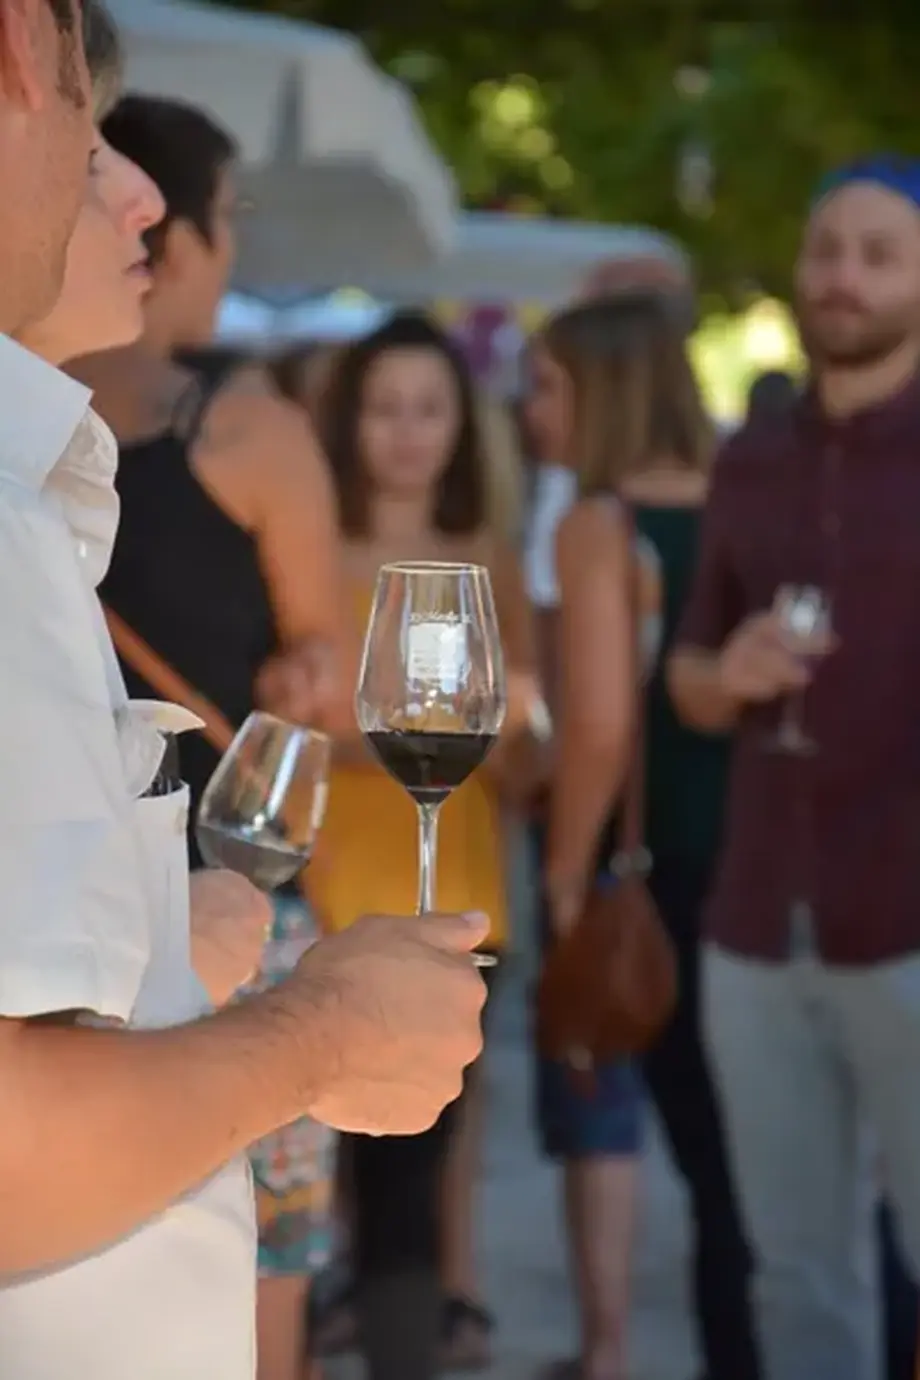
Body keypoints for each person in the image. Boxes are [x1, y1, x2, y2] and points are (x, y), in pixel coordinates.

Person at [0, 3, 488, 1374]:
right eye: (93, 128)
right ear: (19, 48)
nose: (141, 197)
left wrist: (178, 942)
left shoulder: (47, 481)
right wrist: (325, 1031)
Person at [68, 93, 349, 1380]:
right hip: (232, 894)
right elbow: (316, 687)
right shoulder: (245, 430)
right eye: (227, 219)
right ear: (168, 234)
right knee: (259, 1254)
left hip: (61, 912)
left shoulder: (27, 420)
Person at [668, 157, 920, 1380]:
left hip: (908, 918)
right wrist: (732, 674)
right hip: (756, 922)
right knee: (792, 1273)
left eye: (877, 254)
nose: (842, 277)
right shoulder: (747, 456)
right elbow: (686, 677)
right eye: (826, 249)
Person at [310, 311, 538, 1380]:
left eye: (429, 409)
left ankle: (419, 1317)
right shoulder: (311, 546)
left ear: (463, 424)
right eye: (384, 408)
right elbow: (287, 724)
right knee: (331, 1148)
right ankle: (361, 1306)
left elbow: (523, 743)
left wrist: (519, 726)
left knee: (424, 1139)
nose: (406, 433)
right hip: (328, 884)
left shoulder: (487, 555)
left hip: (458, 884)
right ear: (349, 421)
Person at [526, 295, 663, 1380]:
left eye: (546, 385)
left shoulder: (593, 522)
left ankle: (604, 1350)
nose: (529, 410)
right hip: (732, 855)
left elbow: (600, 723)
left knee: (597, 1102)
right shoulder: (738, 499)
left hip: (618, 860)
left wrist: (565, 873)